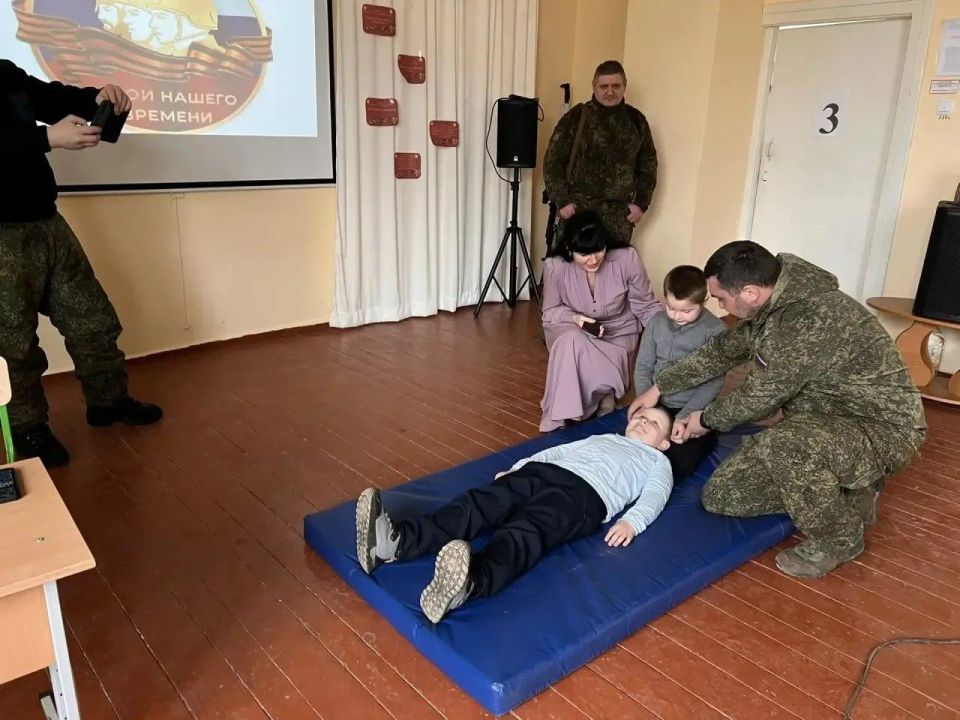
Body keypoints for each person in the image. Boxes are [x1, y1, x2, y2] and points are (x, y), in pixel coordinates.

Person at [629, 241, 926, 579]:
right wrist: (659, 387)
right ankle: (851, 489)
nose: (718, 305)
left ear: (750, 292)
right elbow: (720, 353)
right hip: (820, 421)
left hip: (881, 430)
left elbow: (759, 397)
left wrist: (705, 419)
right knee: (723, 496)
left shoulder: (807, 321)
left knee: (783, 446)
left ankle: (840, 539)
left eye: (721, 299)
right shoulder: (771, 306)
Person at [356, 406, 674, 623]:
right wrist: (519, 467)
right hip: (543, 472)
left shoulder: (657, 461)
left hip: (584, 497)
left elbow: (656, 495)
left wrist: (632, 522)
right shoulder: (604, 437)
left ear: (663, 443)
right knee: (479, 503)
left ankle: (469, 582)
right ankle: (396, 543)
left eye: (654, 424)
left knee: (526, 531)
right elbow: (557, 452)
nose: (643, 421)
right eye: (641, 415)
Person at [0, 59, 162, 469]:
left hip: (47, 221)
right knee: (14, 344)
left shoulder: (4, 72)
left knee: (93, 318)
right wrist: (45, 138)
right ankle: (28, 428)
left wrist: (97, 99)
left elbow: (49, 97)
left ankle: (108, 401)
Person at [540, 210, 661, 432]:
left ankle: (604, 394)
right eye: (584, 254)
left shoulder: (626, 258)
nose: (593, 260)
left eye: (598, 250)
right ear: (569, 248)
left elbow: (645, 304)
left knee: (586, 347)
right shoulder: (555, 266)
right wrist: (575, 318)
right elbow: (550, 312)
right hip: (574, 327)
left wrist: (669, 328)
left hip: (619, 331)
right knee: (570, 341)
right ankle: (565, 414)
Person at [543, 60, 657, 247]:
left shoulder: (636, 121)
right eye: (604, 86)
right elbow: (553, 161)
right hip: (577, 213)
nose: (610, 92)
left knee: (614, 266)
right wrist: (562, 201)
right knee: (574, 265)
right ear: (594, 86)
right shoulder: (576, 117)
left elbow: (648, 165)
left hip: (618, 219)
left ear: (624, 86)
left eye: (616, 86)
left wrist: (641, 204)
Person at [634, 265, 726, 478]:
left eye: (686, 311)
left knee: (677, 463)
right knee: (635, 443)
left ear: (703, 301)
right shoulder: (656, 322)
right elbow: (644, 365)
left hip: (692, 407)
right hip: (657, 404)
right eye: (670, 307)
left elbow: (713, 382)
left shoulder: (715, 331)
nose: (677, 316)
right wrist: (645, 403)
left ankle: (707, 435)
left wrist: (685, 415)